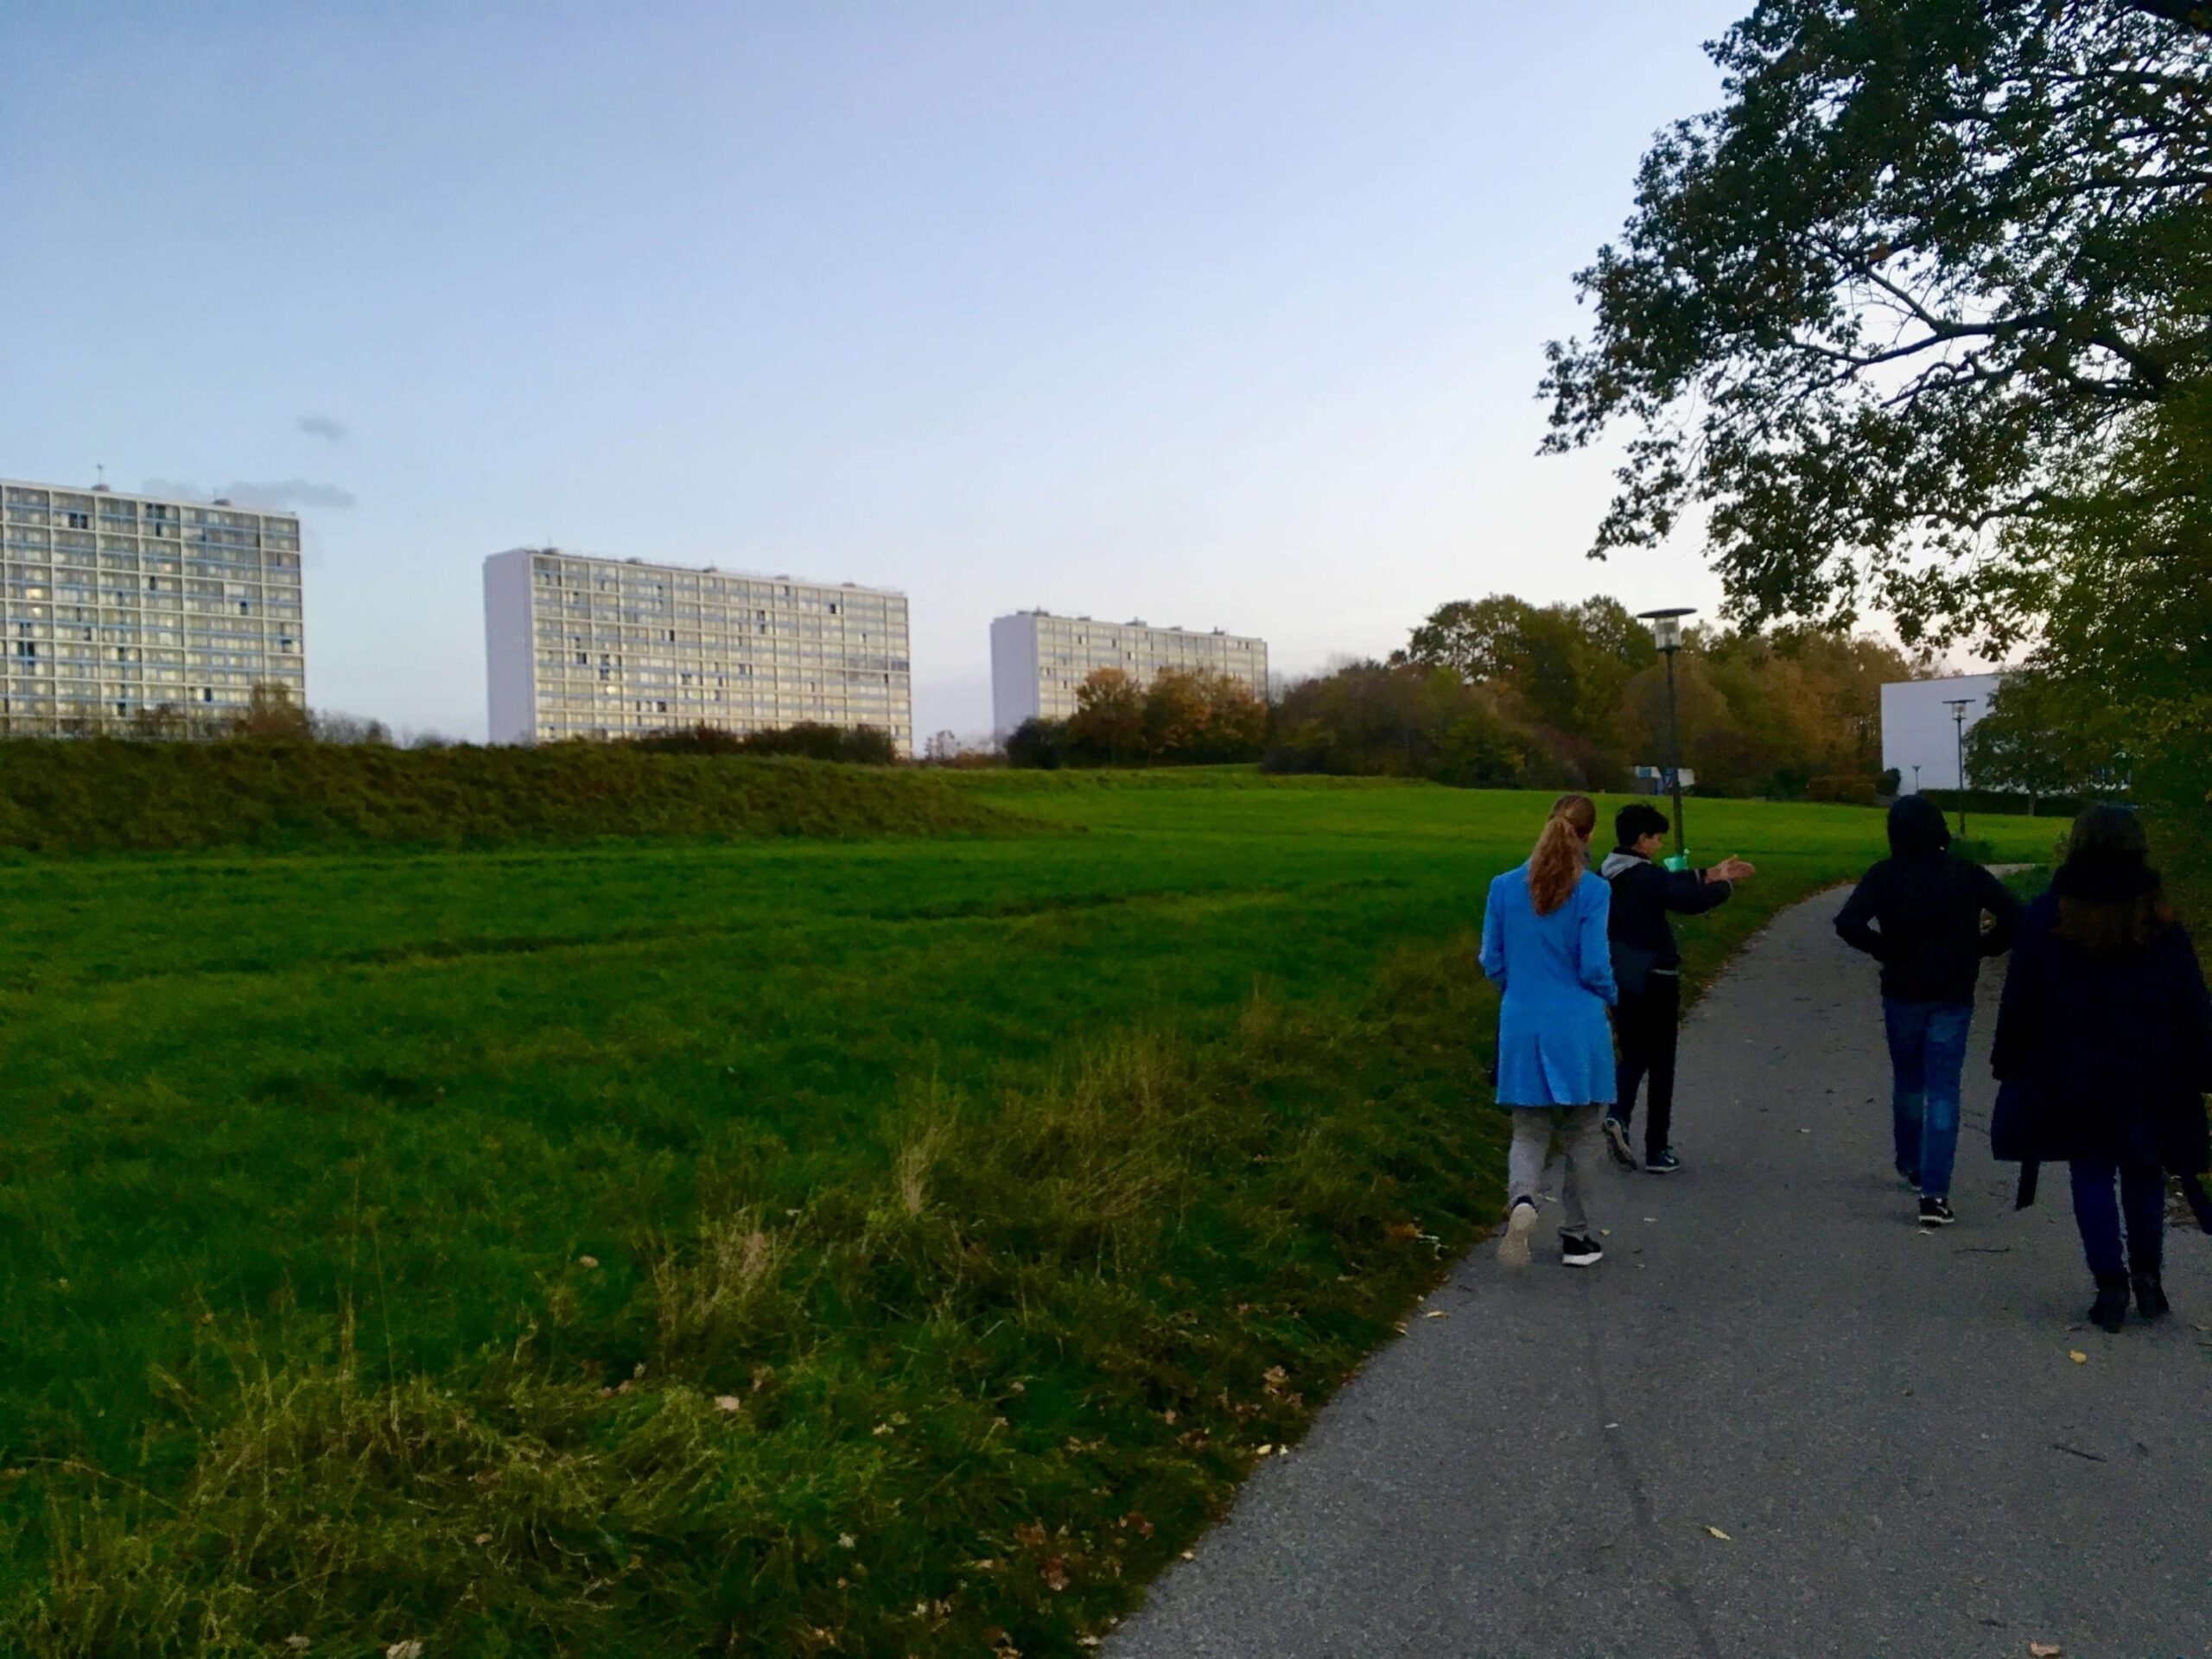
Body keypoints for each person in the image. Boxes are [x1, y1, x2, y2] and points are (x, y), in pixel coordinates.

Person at [1991, 806, 2212, 1332]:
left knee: (2090, 1169)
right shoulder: (2157, 916)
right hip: (2149, 1069)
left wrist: (2009, 1056)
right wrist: (2203, 1061)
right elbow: (2191, 999)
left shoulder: (2051, 913)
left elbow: (2021, 994)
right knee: (2143, 1169)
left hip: (2073, 1069)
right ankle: (2148, 1277)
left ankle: (2110, 1284)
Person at [1834, 794, 2020, 1227]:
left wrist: (1884, 948)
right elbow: (2016, 914)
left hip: (1902, 990)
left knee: (1908, 1080)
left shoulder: (1884, 875)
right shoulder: (1966, 874)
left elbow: (1848, 923)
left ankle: (1910, 1160)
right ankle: (1934, 1193)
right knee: (1943, 1088)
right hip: (1952, 991)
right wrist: (1984, 948)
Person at [1479, 793, 1617, 1268]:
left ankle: (1522, 1200)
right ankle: (1577, 1236)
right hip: (1578, 1023)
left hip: (1522, 1019)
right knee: (1583, 1132)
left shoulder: (1503, 887)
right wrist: (1611, 995)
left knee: (1529, 1129)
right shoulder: (1593, 891)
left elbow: (1491, 958)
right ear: (1589, 834)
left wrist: (1517, 990)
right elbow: (1594, 964)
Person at [1598, 802, 1756, 1173]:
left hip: (1621, 974)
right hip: (1657, 975)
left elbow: (1670, 883)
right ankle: (1657, 1148)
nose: (1659, 846)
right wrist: (1724, 886)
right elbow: (1686, 900)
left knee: (1633, 1051)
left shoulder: (1607, 874)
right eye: (1657, 839)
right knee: (1662, 1060)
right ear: (1642, 840)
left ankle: (1618, 1115)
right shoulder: (1644, 875)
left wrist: (1708, 873)